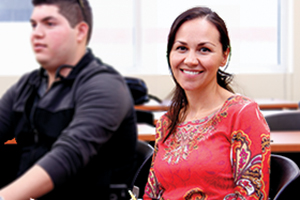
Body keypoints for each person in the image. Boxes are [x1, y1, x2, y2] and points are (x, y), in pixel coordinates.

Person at [0, 0, 137, 199]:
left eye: (49, 23)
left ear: (80, 31)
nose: (36, 33)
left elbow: (68, 155)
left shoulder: (105, 86)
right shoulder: (27, 86)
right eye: (34, 25)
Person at [143, 6, 270, 200]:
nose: (191, 60)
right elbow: (152, 194)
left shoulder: (242, 114)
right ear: (170, 54)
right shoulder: (168, 122)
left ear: (224, 56)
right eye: (181, 48)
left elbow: (252, 196)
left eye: (204, 50)